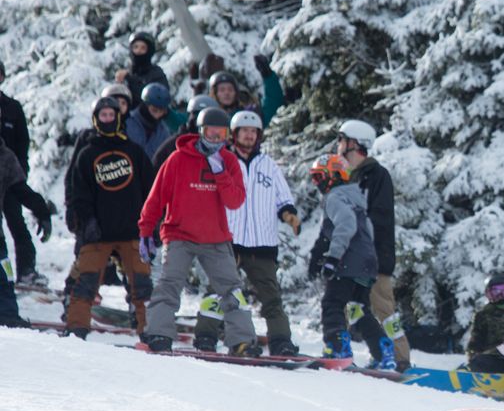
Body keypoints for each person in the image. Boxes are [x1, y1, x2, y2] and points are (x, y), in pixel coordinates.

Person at [136, 107, 261, 356]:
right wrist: (146, 230)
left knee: (233, 290)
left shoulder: (228, 161)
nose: (215, 139)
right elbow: (156, 197)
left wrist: (221, 173)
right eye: (210, 133)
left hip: (215, 238)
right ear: (200, 132)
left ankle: (242, 341)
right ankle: (159, 333)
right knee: (169, 285)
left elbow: (235, 201)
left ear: (228, 136)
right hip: (179, 235)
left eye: (221, 134)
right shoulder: (178, 159)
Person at [192, 111, 302, 356]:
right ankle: (206, 335)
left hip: (262, 243)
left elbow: (283, 199)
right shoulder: (224, 161)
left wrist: (289, 215)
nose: (249, 136)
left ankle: (281, 340)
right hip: (230, 241)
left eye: (254, 132)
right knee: (218, 292)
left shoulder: (269, 166)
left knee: (271, 296)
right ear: (234, 134)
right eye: (245, 131)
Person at [63, 97, 154, 339]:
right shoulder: (86, 154)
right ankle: (76, 329)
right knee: (85, 283)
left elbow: (151, 190)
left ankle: (150, 331)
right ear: (96, 119)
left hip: (131, 231)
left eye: (110, 115)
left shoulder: (134, 151)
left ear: (118, 117)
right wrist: (87, 223)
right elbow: (79, 195)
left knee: (142, 285)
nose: (107, 119)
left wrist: (150, 225)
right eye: (102, 115)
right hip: (98, 233)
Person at [308, 153, 396, 370]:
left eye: (320, 177)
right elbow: (368, 230)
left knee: (332, 303)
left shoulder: (335, 197)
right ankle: (381, 348)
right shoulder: (356, 198)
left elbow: (346, 225)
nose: (317, 183)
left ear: (334, 176)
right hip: (367, 264)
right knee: (358, 308)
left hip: (347, 263)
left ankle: (337, 345)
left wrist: (333, 258)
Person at [335, 119, 408, 357]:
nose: (338, 146)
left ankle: (400, 358)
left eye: (342, 140)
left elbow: (380, 218)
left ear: (355, 144)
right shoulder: (348, 176)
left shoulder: (377, 176)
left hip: (374, 256)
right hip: (352, 257)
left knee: (383, 308)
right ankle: (346, 353)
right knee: (349, 307)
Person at [0, 61, 54, 285]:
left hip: (9, 175)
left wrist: (20, 172)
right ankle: (5, 279)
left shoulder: (12, 107)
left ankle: (25, 271)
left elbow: (23, 143)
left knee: (17, 224)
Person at [0, 140, 31, 327]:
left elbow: (20, 189)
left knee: (4, 276)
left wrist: (39, 207)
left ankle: (8, 316)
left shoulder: (4, 155)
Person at [115, 31, 169, 107]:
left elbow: (156, 98)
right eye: (135, 47)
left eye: (143, 48)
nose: (138, 51)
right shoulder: (127, 74)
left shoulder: (156, 73)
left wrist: (130, 79)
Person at [125, 82, 174, 159]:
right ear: (145, 105)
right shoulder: (127, 123)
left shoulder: (163, 132)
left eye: (161, 111)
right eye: (154, 110)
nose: (157, 115)